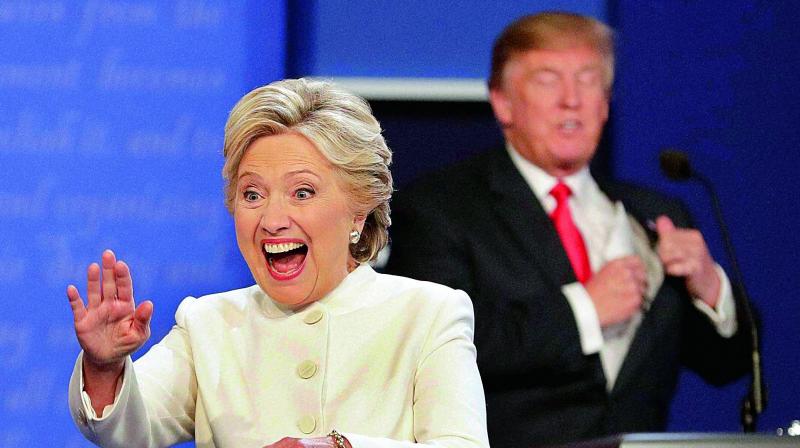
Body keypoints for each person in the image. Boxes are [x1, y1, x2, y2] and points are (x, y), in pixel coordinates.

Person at [384, 12, 752, 447]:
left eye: (588, 79)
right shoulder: (439, 209)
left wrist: (710, 289)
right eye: (547, 79)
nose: (571, 99)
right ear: (502, 102)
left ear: (605, 102)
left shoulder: (657, 216)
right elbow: (434, 350)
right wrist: (583, 311)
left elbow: (727, 365)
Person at [66, 78, 489, 448]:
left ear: (359, 210)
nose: (271, 221)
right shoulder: (208, 324)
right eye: (252, 195)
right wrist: (105, 367)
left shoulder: (429, 314)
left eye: (302, 193)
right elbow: (128, 430)